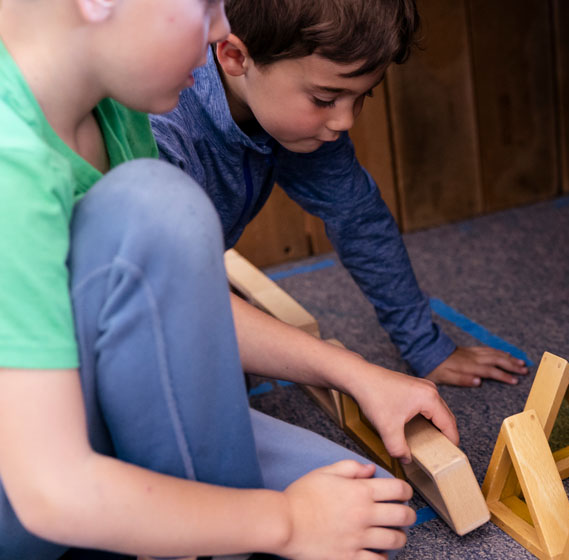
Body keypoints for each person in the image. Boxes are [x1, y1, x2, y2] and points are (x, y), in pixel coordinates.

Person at [0, 1, 458, 559]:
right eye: (204, 5)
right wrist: (286, 522)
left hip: (76, 416)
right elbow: (51, 493)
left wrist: (356, 374)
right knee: (156, 204)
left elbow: (172, 306)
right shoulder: (12, 166)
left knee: (366, 502)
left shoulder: (119, 113)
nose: (221, 27)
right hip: (29, 492)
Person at [150, 0, 530, 389]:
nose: (345, 120)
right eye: (325, 98)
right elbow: (159, 285)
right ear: (234, 56)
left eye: (363, 96)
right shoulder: (160, 129)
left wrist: (425, 346)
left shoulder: (296, 119)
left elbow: (359, 220)